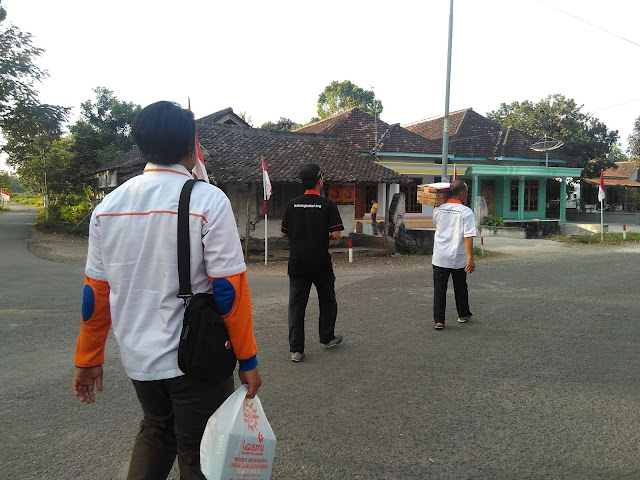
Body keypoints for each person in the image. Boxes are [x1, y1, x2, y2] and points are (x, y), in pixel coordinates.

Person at [72, 101, 262, 480]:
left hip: (140, 361)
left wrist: (88, 356)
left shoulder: (107, 207)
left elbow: (95, 295)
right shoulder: (208, 200)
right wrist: (248, 360)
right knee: (200, 452)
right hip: (197, 359)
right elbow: (229, 291)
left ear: (141, 145)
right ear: (192, 145)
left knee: (157, 430)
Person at [281, 162, 344, 362]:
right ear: (320, 181)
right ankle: (327, 337)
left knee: (297, 306)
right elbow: (335, 234)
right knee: (327, 301)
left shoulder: (292, 204)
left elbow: (284, 233)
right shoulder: (327, 205)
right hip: (320, 263)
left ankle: (296, 350)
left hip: (298, 263)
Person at [431, 179, 476, 330]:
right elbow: (468, 236)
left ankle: (439, 320)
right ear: (462, 193)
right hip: (457, 256)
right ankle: (463, 314)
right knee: (460, 286)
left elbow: (437, 225)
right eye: (467, 192)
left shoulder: (438, 209)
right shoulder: (466, 212)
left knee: (439, 288)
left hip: (440, 255)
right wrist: (470, 258)